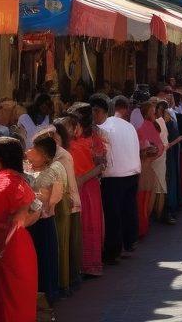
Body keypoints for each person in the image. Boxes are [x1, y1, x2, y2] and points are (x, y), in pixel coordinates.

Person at [0, 137, 38, 322]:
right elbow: (37, 209)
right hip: (19, 243)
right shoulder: (17, 178)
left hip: (5, 247)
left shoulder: (4, 182)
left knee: (5, 302)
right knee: (18, 301)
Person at [92, 93, 140, 265]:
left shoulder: (104, 128)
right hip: (132, 172)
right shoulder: (127, 126)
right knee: (128, 209)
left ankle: (114, 250)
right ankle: (129, 242)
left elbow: (102, 155)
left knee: (114, 214)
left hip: (115, 176)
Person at [67, 103, 105, 278]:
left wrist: (83, 178)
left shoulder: (93, 139)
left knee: (89, 224)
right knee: (81, 225)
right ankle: (81, 264)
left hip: (87, 186)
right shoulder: (69, 140)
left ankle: (89, 264)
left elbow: (102, 165)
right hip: (78, 185)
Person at [25, 131, 64, 302]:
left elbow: (53, 198)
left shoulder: (53, 171)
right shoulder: (28, 168)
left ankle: (48, 294)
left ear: (46, 156)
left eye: (36, 150)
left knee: (45, 259)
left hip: (44, 221)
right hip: (33, 221)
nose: (31, 152)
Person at [50, 118, 82, 294]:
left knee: (66, 243)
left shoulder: (62, 155)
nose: (53, 140)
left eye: (55, 137)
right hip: (61, 202)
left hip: (67, 203)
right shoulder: (55, 154)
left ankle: (67, 282)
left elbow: (68, 180)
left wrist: (69, 197)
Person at [136, 101, 166, 236]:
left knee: (146, 197)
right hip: (147, 167)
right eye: (153, 111)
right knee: (147, 197)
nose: (155, 113)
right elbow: (157, 148)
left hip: (148, 166)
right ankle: (144, 223)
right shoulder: (145, 128)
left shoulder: (146, 127)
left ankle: (145, 222)